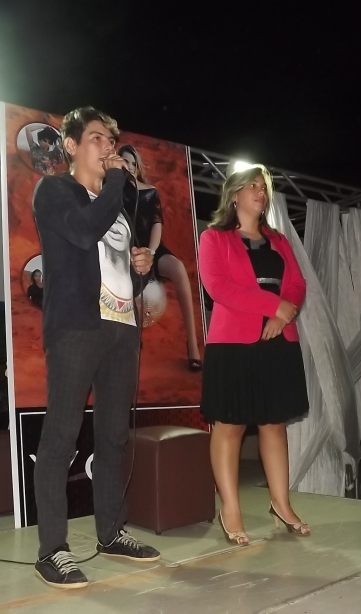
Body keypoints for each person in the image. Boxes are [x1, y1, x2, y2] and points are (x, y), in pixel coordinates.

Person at [32, 107, 160, 590]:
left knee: (112, 437)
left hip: (121, 330)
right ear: (70, 145)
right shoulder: (54, 190)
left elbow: (116, 270)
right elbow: (84, 232)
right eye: (97, 139)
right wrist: (115, 183)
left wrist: (141, 267)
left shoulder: (118, 210)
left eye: (111, 140)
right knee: (61, 438)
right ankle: (52, 550)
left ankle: (111, 532)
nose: (109, 147)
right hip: (76, 329)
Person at [198, 164, 309, 546]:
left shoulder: (279, 240)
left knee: (274, 424)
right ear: (234, 195)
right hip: (233, 342)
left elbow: (297, 283)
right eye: (252, 186)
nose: (261, 192)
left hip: (278, 338)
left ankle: (282, 504)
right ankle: (230, 508)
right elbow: (217, 286)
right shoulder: (214, 237)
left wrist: (283, 314)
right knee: (229, 425)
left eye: (264, 186)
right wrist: (272, 306)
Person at [119, 145, 202, 371]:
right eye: (125, 162)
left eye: (133, 163)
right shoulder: (113, 189)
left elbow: (157, 224)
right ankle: (132, 338)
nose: (130, 167)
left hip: (152, 249)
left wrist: (152, 252)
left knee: (178, 268)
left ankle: (193, 344)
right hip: (126, 251)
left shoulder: (150, 191)